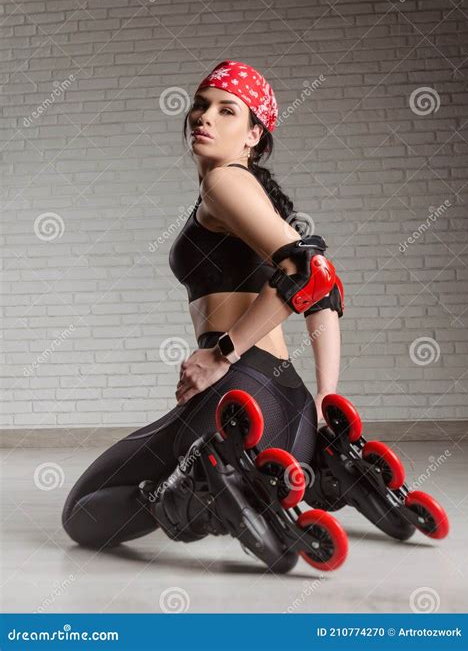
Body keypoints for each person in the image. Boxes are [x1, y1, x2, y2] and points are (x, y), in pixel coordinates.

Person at [62, 60, 344, 549]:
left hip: (235, 400)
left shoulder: (225, 182)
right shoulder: (254, 198)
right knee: (191, 476)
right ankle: (289, 483)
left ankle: (194, 497)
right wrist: (324, 399)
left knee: (81, 514)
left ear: (254, 134)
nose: (204, 117)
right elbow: (325, 284)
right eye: (201, 104)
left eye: (226, 110)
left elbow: (310, 274)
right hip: (289, 408)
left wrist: (221, 355)